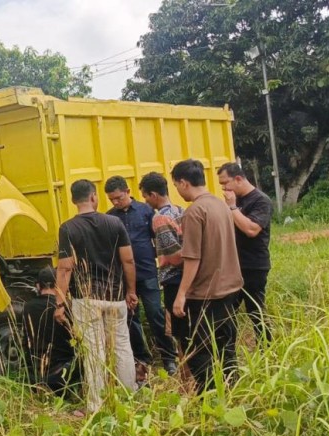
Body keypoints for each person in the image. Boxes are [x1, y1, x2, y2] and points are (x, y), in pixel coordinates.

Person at [53, 179, 138, 413]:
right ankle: (128, 399)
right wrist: (131, 291)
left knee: (94, 351)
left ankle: (96, 406)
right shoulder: (115, 222)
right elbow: (128, 260)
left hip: (86, 299)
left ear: (73, 200)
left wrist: (60, 302)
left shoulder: (68, 228)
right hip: (115, 297)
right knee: (122, 346)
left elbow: (65, 268)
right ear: (94, 197)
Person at [169, 159, 243, 393]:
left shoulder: (194, 212)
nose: (178, 191)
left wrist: (181, 295)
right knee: (226, 343)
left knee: (200, 350)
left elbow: (192, 258)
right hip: (231, 287)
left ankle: (209, 393)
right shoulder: (221, 205)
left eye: (176, 185)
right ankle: (234, 387)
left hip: (206, 293)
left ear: (183, 183)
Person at [104, 176, 178, 377]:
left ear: (128, 191)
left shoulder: (146, 211)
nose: (116, 202)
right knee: (130, 318)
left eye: (119, 197)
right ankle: (141, 358)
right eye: (112, 200)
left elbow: (160, 241)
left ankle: (169, 358)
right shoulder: (110, 217)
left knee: (156, 314)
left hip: (147, 272)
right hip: (124, 277)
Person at [217, 162, 274, 344]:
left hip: (254, 265)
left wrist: (232, 208)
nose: (224, 188)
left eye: (225, 183)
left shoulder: (261, 200)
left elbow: (251, 229)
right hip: (234, 265)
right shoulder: (236, 200)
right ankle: (228, 351)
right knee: (227, 311)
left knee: (255, 310)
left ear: (239, 179)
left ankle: (267, 347)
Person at [137, 172, 185, 355]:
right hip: (189, 278)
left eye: (146, 197)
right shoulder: (180, 210)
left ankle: (186, 378)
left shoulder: (159, 219)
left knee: (179, 333)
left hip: (173, 278)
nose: (146, 202)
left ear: (153, 195)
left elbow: (174, 257)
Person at [22, 266, 80, 396]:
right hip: (62, 374)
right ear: (58, 285)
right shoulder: (66, 307)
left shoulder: (27, 307)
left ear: (38, 286)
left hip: (35, 376)